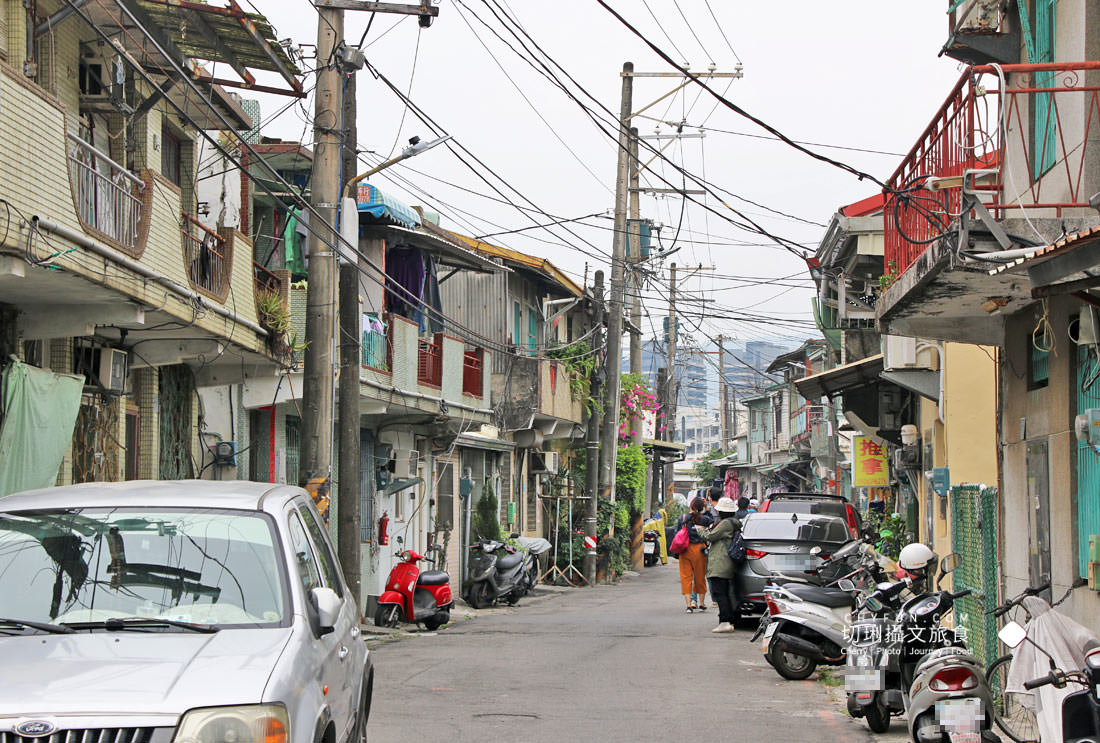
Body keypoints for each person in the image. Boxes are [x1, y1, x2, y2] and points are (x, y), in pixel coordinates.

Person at [701, 496, 742, 633]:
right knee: (725, 592)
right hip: (726, 562)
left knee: (720, 593)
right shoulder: (734, 522)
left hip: (721, 562)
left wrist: (700, 530)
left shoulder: (725, 524)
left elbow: (710, 536)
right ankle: (728, 620)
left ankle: (725, 621)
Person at [675, 496, 711, 612]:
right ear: (702, 508)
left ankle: (688, 605)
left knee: (686, 577)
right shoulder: (705, 519)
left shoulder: (683, 518)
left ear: (691, 506)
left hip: (685, 550)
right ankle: (702, 603)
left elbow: (677, 532)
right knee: (700, 577)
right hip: (700, 549)